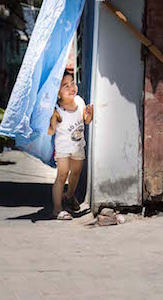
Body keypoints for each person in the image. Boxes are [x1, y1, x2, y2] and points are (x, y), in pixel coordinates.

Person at [48, 71, 93, 220]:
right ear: (58, 92)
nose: (71, 87)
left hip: (78, 147)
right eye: (65, 86)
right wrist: (47, 119)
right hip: (62, 149)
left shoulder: (79, 101)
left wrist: (90, 114)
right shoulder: (57, 110)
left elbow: (86, 120)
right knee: (62, 175)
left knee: (76, 173)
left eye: (72, 83)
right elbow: (51, 131)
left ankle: (69, 195)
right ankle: (57, 209)